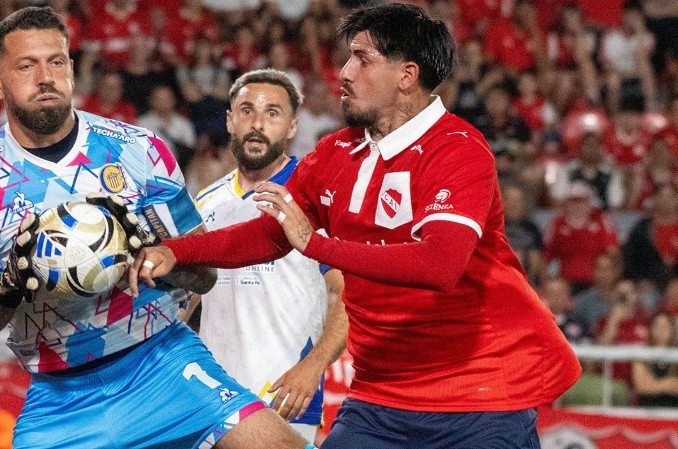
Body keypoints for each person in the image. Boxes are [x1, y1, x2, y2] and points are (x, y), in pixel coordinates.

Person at [133, 4, 581, 448]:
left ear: (407, 76)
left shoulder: (458, 149)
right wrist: (177, 251)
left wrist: (317, 246)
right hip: (381, 394)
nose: (344, 72)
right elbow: (270, 236)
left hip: (478, 392)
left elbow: (439, 264)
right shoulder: (336, 152)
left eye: (362, 59)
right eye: (347, 57)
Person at [0, 7, 313, 449]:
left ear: (72, 70)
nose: (45, 76)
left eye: (56, 62)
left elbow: (204, 277)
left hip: (164, 363)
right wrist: (11, 283)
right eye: (27, 65)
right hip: (61, 399)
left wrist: (153, 250)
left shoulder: (139, 151)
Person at [188, 69, 348, 443]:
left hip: (283, 393)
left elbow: (347, 295)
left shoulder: (314, 199)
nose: (257, 123)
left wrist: (312, 368)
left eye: (272, 113)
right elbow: (187, 293)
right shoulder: (207, 200)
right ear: (230, 120)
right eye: (246, 110)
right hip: (211, 393)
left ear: (293, 126)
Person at [631, 312, 678, 407]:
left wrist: (654, 384)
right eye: (657, 326)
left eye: (665, 326)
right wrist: (669, 384)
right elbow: (642, 386)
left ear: (672, 330)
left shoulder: (676, 354)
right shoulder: (642, 355)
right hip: (647, 411)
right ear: (651, 329)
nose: (661, 330)